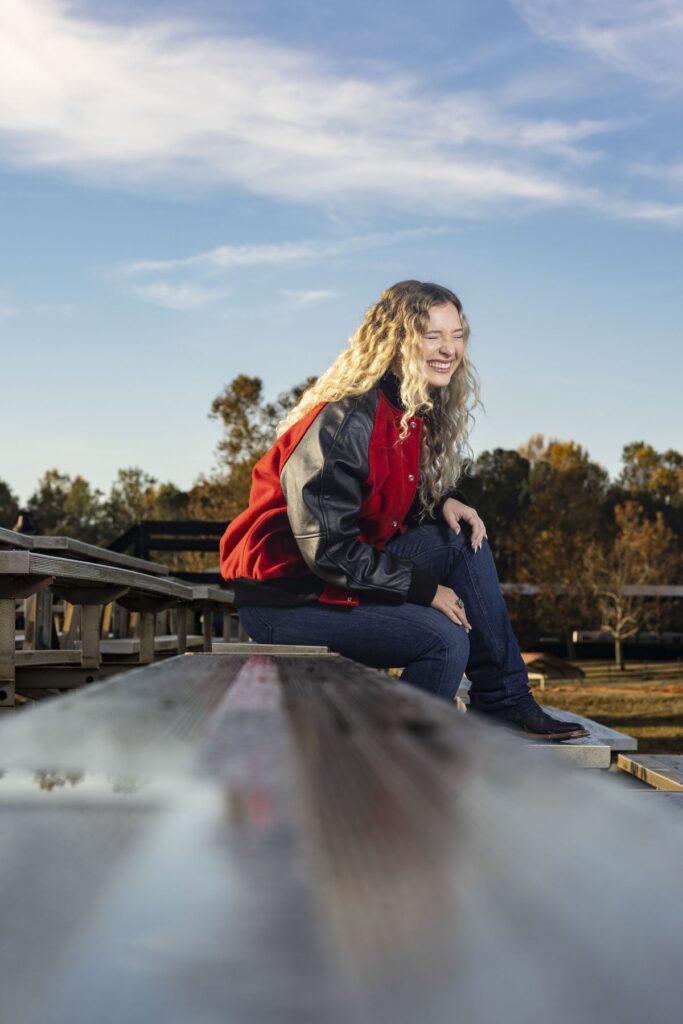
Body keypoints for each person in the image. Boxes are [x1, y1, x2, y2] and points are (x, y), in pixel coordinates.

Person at [219, 280, 588, 741]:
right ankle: (394, 759)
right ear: (396, 341)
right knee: (443, 638)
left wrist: (441, 502)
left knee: (461, 539)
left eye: (457, 335)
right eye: (432, 336)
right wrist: (425, 590)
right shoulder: (348, 415)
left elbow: (381, 502)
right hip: (288, 599)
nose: (449, 349)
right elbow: (329, 547)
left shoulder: (406, 409)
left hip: (329, 578)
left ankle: (504, 702)